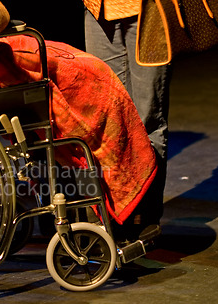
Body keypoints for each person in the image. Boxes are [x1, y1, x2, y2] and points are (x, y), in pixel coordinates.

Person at [82, 0, 171, 243]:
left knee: (147, 119)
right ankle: (113, 212)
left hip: (149, 12)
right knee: (106, 120)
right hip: (98, 11)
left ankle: (146, 213)